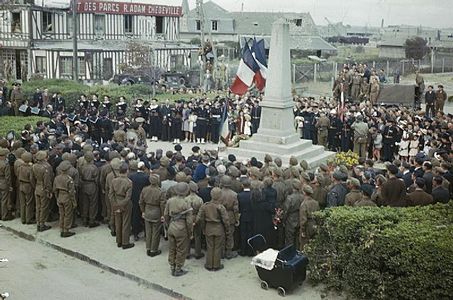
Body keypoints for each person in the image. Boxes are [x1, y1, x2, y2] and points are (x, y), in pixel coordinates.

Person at [164, 182, 193, 277]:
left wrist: (168, 225)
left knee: (172, 248)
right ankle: (178, 268)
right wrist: (190, 232)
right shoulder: (186, 203)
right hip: (181, 228)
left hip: (172, 226)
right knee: (181, 249)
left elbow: (166, 215)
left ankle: (172, 265)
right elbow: (189, 221)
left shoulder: (170, 201)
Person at [196, 187, 229, 271]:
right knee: (217, 247)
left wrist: (203, 227)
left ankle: (209, 264)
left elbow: (200, 218)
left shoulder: (205, 206)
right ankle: (216, 265)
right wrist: (227, 229)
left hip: (208, 228)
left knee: (209, 246)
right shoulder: (221, 207)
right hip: (219, 228)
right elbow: (226, 220)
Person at [139, 174, 166, 257]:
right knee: (156, 232)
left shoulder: (145, 189)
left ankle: (148, 247)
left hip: (147, 211)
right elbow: (162, 204)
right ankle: (153, 250)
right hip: (156, 212)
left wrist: (143, 211)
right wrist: (162, 215)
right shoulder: (161, 191)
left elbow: (141, 202)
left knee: (148, 231)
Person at [110, 163, 135, 249]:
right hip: (125, 204)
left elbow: (111, 194)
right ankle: (125, 242)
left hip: (116, 201)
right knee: (126, 223)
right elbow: (128, 197)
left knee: (118, 222)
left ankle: (119, 241)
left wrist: (115, 204)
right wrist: (121, 205)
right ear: (127, 171)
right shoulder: (129, 182)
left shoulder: (114, 180)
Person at [53, 161, 76, 237]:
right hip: (67, 197)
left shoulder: (57, 178)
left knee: (61, 214)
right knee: (68, 214)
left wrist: (57, 198)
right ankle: (66, 230)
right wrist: (74, 202)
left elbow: (55, 190)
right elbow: (71, 192)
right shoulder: (69, 179)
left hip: (60, 196)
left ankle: (61, 228)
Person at [32, 150, 54, 232]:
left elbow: (32, 178)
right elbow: (47, 181)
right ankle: (42, 224)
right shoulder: (47, 167)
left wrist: (35, 186)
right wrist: (49, 191)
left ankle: (38, 223)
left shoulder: (34, 166)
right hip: (44, 188)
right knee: (44, 207)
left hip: (37, 187)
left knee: (38, 207)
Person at [128, 161, 149, 241]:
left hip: (134, 198)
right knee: (144, 216)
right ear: (143, 167)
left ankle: (135, 233)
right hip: (144, 199)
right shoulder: (146, 177)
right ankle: (146, 235)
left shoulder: (131, 176)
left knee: (135, 216)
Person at [219, 176, 239, 259]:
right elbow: (236, 209)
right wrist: (237, 219)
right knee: (230, 235)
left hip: (220, 215)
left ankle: (221, 252)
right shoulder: (234, 194)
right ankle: (229, 252)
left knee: (221, 234)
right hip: (230, 216)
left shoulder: (218, 193)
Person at [79, 151, 99, 227]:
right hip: (92, 185)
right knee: (93, 204)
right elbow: (97, 179)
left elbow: (80, 177)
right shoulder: (94, 168)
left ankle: (84, 220)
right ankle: (91, 220)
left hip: (84, 185)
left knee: (85, 203)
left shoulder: (82, 167)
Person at [186, 181, 204, 259]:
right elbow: (201, 211)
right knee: (197, 236)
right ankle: (197, 253)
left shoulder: (186, 199)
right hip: (197, 217)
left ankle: (187, 253)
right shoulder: (199, 199)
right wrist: (197, 220)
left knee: (187, 235)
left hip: (188, 217)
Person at [281, 180, 302, 248]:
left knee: (289, 239)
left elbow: (286, 211)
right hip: (299, 218)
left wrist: (283, 220)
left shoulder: (290, 198)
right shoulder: (302, 197)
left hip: (290, 219)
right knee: (297, 239)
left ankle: (289, 254)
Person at [299, 185, 320, 251]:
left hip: (307, 225)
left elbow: (303, 219)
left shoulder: (304, 204)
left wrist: (303, 230)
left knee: (304, 246)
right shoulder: (316, 203)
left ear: (304, 193)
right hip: (314, 224)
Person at [237, 179, 254, 256]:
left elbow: (239, 207)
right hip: (251, 216)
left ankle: (243, 250)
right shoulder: (252, 194)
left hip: (243, 216)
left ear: (242, 185)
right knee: (250, 233)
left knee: (243, 233)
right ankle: (250, 251)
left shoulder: (240, 195)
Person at [18, 152, 35, 224]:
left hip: (21, 184)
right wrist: (34, 186)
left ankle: (23, 219)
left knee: (22, 203)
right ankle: (29, 219)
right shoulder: (30, 168)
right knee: (29, 203)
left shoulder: (20, 167)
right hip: (28, 185)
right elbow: (31, 179)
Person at [0, 148, 13, 221]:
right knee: (4, 200)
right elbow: (8, 177)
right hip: (4, 182)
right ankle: (4, 215)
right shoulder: (5, 164)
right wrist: (10, 186)